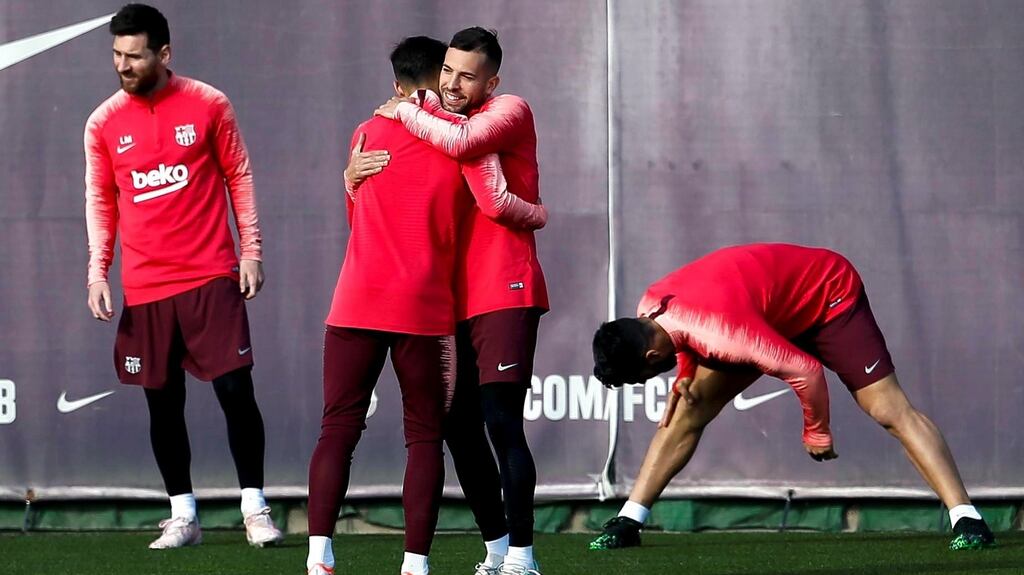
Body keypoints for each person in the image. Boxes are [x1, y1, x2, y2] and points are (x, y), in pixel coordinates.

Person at [306, 35, 546, 575]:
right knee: (439, 432)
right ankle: (450, 558)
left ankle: (521, 559)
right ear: (436, 75)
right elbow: (482, 196)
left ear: (491, 82)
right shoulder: (442, 135)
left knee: (490, 424)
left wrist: (538, 215)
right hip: (436, 304)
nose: (454, 85)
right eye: (448, 74)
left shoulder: (490, 117)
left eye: (466, 76)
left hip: (468, 292)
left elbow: (484, 194)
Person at [588, 243, 995, 552]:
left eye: (639, 378)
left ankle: (967, 518)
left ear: (651, 356)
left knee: (888, 410)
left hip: (827, 296)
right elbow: (685, 337)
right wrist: (686, 376)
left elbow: (805, 371)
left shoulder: (723, 334)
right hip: (762, 316)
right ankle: (629, 521)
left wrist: (816, 430)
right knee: (688, 406)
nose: (644, 383)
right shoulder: (649, 307)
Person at [84, 3, 282, 550]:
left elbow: (238, 175)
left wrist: (252, 250)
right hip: (146, 286)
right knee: (161, 401)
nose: (123, 65)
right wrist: (98, 271)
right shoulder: (102, 122)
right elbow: (101, 200)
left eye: (134, 55)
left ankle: (255, 507)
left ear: (163, 54)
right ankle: (183, 515)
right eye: (117, 55)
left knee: (235, 390)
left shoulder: (209, 103)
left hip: (211, 274)